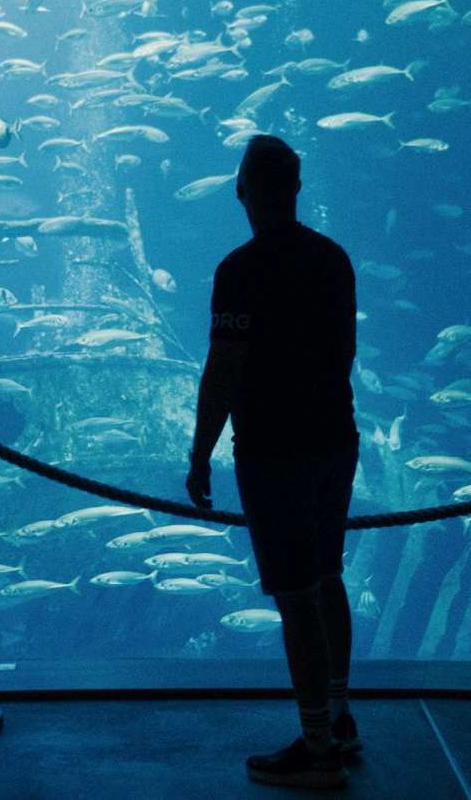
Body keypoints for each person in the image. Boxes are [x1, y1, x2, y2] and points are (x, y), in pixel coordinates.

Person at [186, 135, 360, 790]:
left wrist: (200, 452)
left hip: (273, 450)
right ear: (294, 189)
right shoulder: (333, 259)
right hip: (335, 440)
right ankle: (340, 717)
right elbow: (343, 351)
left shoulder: (239, 270)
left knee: (294, 597)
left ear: (242, 191)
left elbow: (223, 369)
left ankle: (317, 749)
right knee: (327, 577)